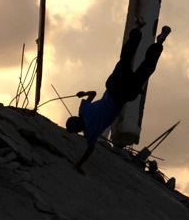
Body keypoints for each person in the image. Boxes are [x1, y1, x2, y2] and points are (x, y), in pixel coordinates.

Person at [66, 26, 171, 174]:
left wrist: (79, 164)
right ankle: (138, 29)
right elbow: (94, 93)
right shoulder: (83, 109)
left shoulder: (90, 133)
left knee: (145, 69)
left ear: (78, 130)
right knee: (125, 58)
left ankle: (159, 43)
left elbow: (89, 150)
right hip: (113, 86)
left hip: (124, 96)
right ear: (76, 117)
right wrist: (84, 93)